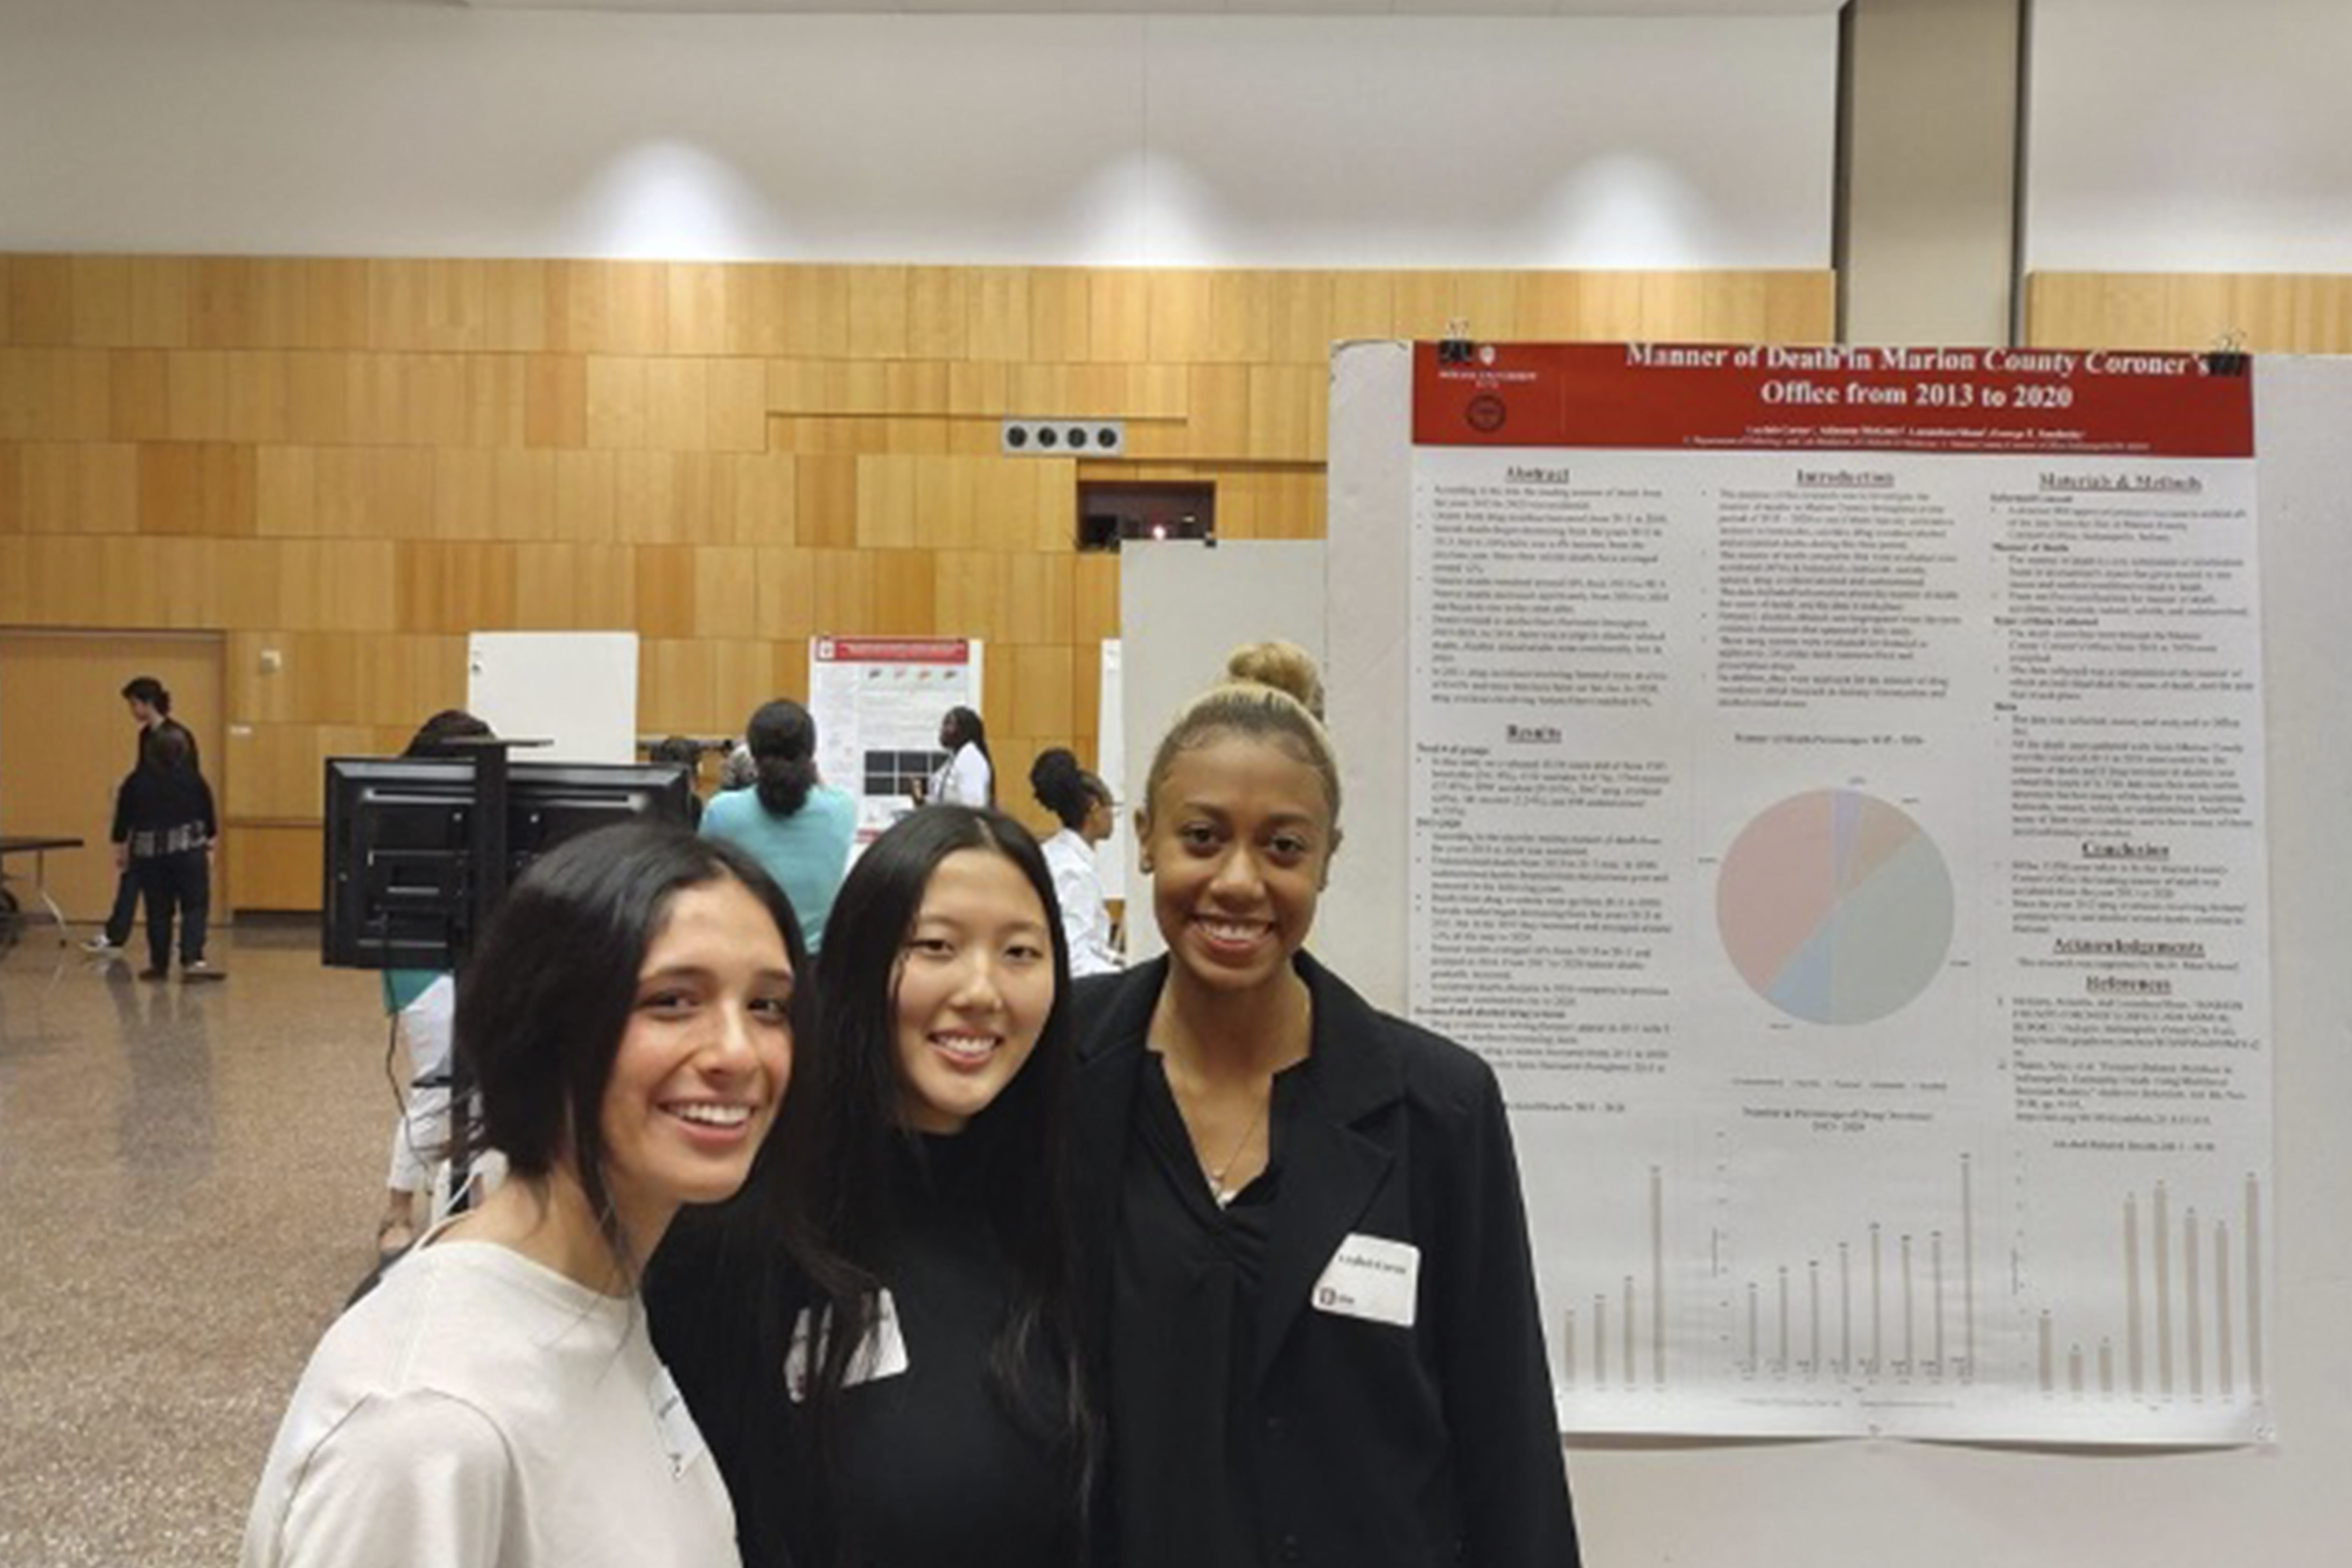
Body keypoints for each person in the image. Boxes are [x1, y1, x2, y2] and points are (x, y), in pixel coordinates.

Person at [1068, 641, 1580, 1568]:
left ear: (1327, 860)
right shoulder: (1063, 1069)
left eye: (1283, 847)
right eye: (1202, 836)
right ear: (1144, 838)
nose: (1238, 881)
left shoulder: (1439, 1108)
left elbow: (1507, 1438)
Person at [243, 821, 806, 1568]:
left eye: (767, 1005)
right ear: (543, 1025)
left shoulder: (593, 1288)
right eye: (673, 1000)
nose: (740, 1052)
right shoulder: (429, 1423)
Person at [650, 805, 1094, 1568]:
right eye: (936, 947)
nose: (982, 989)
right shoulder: (740, 1221)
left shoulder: (1067, 1201)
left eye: (1021, 950)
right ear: (860, 958)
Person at [372, 709, 493, 1256]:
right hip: (421, 957)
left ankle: (472, 1196)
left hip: (479, 950)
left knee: (482, 1083)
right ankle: (397, 1209)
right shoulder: (399, 810)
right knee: (439, 1082)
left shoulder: (487, 811)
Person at [700, 700, 858, 952]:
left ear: (752, 753)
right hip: (818, 966)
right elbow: (821, 791)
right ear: (812, 752)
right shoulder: (842, 808)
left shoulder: (723, 811)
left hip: (748, 956)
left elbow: (703, 883)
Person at [85, 676, 201, 955]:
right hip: (147, 819)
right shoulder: (146, 736)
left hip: (171, 825)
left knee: (169, 889)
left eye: (134, 704)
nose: (132, 711)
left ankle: (189, 948)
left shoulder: (178, 736)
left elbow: (187, 781)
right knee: (133, 875)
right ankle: (117, 933)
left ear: (147, 704)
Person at [110, 723, 222, 982]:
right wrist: (210, 843)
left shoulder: (136, 781)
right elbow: (208, 816)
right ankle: (192, 959)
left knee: (158, 910)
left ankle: (159, 965)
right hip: (188, 851)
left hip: (150, 854)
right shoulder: (193, 780)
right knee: (194, 906)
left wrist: (121, 847)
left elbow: (123, 819)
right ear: (183, 752)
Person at [1030, 747, 1121, 978]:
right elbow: (1075, 960)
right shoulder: (1076, 873)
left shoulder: (1051, 853)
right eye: (1113, 809)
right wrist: (1123, 979)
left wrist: (1115, 960)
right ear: (1095, 806)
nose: (1113, 818)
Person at [913, 705, 993, 808]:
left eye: (948, 724)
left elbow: (974, 806)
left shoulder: (971, 760)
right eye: (943, 725)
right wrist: (921, 801)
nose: (942, 730)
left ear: (964, 730)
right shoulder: (954, 759)